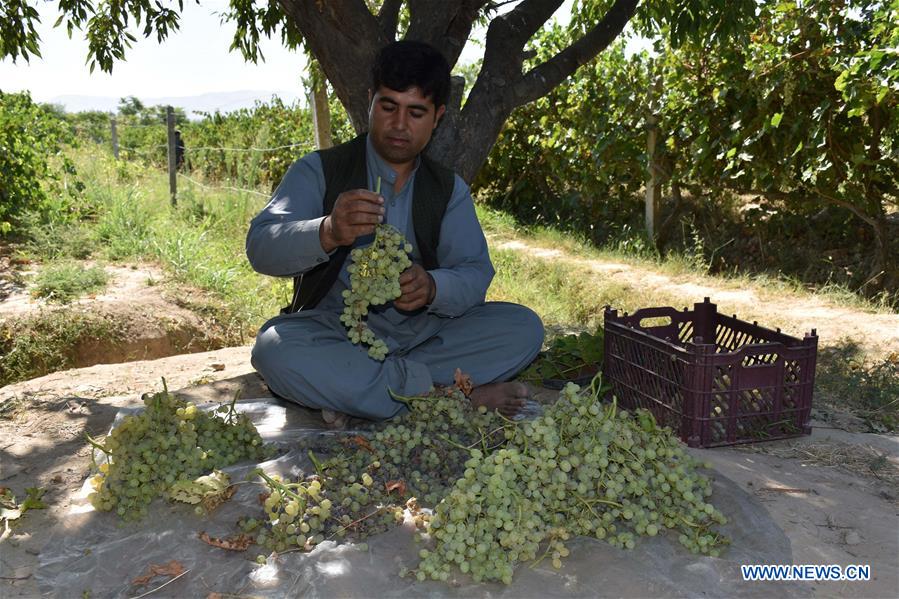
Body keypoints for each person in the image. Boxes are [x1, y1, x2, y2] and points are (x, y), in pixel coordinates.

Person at [246, 40, 544, 425]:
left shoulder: (447, 191)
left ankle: (362, 393)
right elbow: (260, 246)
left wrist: (434, 287)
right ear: (370, 101)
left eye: (416, 112)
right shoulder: (319, 171)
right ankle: (446, 398)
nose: (400, 124)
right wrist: (327, 230)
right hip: (337, 334)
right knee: (274, 349)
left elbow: (474, 273)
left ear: (437, 117)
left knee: (522, 328)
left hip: (422, 337)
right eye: (388, 107)